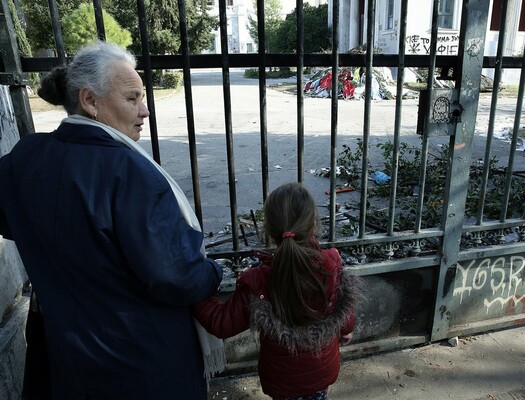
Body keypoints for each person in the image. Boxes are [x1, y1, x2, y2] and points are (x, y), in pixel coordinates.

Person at [0, 41, 223, 399]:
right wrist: (214, 272)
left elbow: (12, 220)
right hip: (141, 364)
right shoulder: (130, 172)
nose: (145, 110)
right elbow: (175, 276)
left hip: (65, 362)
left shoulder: (25, 157)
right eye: (133, 98)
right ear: (90, 100)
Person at [194, 182, 363, 400]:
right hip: (323, 370)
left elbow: (221, 322)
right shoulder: (331, 264)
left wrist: (194, 289)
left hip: (281, 381)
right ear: (314, 224)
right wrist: (346, 329)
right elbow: (344, 304)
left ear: (268, 229)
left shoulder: (257, 280)